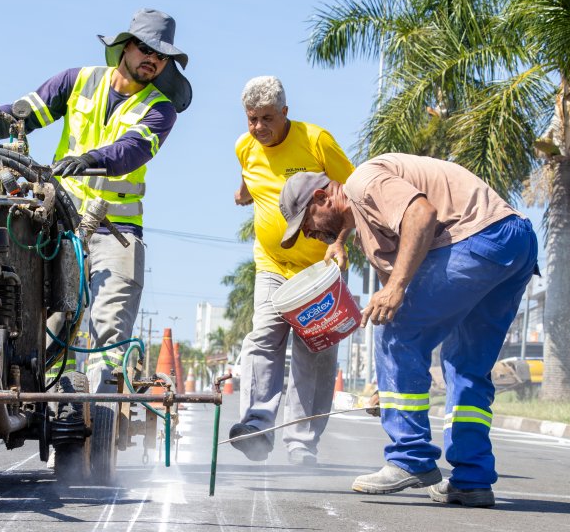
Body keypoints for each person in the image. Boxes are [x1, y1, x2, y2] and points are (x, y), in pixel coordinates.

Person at [278, 153, 538, 507]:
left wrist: (396, 288)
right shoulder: (367, 232)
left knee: (393, 332)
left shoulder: (362, 181)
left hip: (477, 237)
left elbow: (421, 214)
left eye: (306, 222)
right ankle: (472, 479)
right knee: (466, 365)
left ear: (322, 197)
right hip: (513, 243)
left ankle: (410, 457)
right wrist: (387, 387)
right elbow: (404, 299)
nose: (309, 233)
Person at [0, 8, 191, 394]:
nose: (152, 59)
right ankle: (35, 401)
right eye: (145, 49)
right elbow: (21, 117)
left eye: (161, 56)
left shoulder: (160, 109)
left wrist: (90, 159)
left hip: (116, 232)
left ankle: (102, 406)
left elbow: (132, 150)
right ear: (125, 46)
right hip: (60, 223)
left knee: (109, 329)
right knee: (39, 319)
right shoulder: (77, 81)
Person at [230, 76, 354, 466]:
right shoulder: (244, 146)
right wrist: (243, 192)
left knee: (314, 350)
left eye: (267, 118)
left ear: (285, 112)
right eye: (252, 118)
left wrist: (339, 242)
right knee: (263, 337)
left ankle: (301, 442)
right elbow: (252, 175)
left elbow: (354, 196)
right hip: (272, 265)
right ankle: (256, 428)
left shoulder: (316, 141)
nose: (259, 127)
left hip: (322, 269)